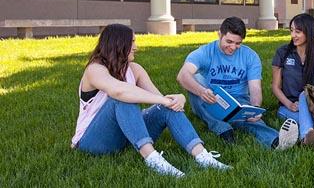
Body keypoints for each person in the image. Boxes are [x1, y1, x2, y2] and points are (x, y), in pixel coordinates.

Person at [71, 24, 231, 178]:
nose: (136, 47)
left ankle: (203, 156)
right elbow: (119, 91)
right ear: (118, 43)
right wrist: (163, 100)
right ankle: (154, 160)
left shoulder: (135, 69)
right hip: (92, 141)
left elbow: (161, 101)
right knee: (122, 98)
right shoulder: (95, 69)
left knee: (167, 108)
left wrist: (176, 99)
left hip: (125, 137)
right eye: (132, 42)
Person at [177, 16, 298, 150]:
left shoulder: (250, 56)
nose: (233, 47)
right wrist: (201, 91)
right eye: (229, 41)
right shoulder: (205, 52)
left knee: (252, 120)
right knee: (195, 80)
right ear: (219, 34)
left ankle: (277, 141)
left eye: (238, 43)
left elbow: (255, 88)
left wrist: (255, 108)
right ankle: (222, 128)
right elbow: (183, 75)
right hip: (211, 98)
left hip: (239, 100)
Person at [271, 13, 314, 158]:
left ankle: (307, 137)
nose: (293, 35)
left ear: (309, 32)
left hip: (311, 105)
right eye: (291, 30)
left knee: (305, 95)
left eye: (298, 31)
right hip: (287, 108)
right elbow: (275, 87)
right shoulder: (282, 53)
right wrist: (289, 104)